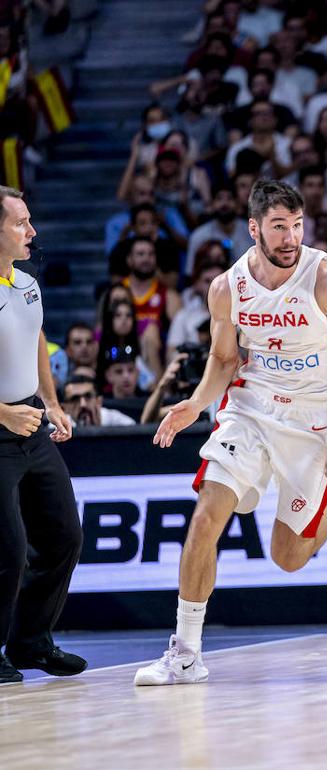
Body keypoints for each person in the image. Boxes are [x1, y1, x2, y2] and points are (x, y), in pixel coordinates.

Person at [134, 180, 327, 686]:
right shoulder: (226, 288)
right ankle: (186, 653)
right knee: (208, 514)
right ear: (253, 228)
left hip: (313, 420)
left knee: (287, 557)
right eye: (278, 226)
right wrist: (196, 402)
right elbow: (225, 358)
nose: (290, 237)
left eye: (297, 225)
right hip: (248, 412)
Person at [0, 186, 86, 683]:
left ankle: (32, 642)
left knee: (63, 536)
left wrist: (50, 403)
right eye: (19, 224)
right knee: (8, 551)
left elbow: (35, 337)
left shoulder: (26, 279)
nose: (31, 232)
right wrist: (3, 414)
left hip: (31, 423)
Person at [62, 374, 136, 428]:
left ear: (99, 401)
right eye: (75, 399)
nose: (83, 404)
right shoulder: (58, 427)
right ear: (64, 408)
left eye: (88, 396)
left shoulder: (116, 421)